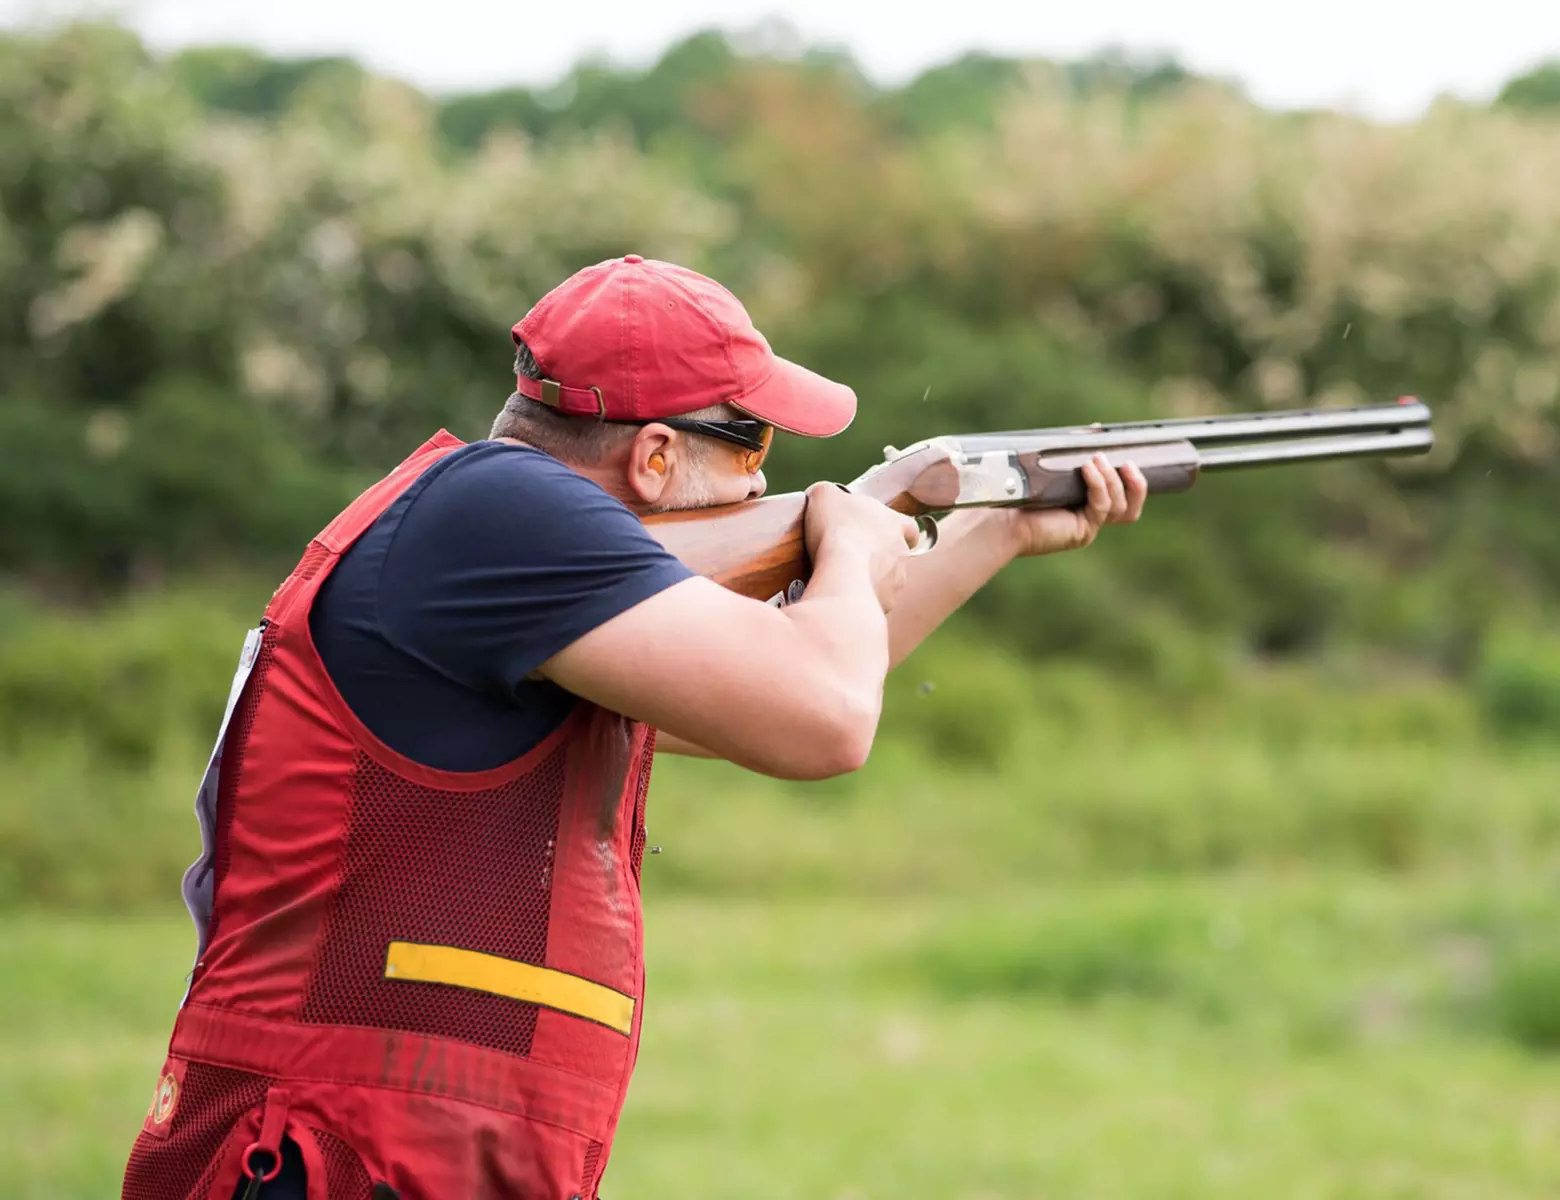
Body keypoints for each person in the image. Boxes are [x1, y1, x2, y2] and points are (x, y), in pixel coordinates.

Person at [117, 254, 1147, 1200]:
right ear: (654, 457)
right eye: (754, 446)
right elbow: (826, 719)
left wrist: (992, 531)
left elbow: (784, 691)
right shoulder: (505, 512)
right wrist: (843, 540)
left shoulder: (504, 548)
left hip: (394, 1150)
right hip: (330, 1155)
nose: (764, 484)